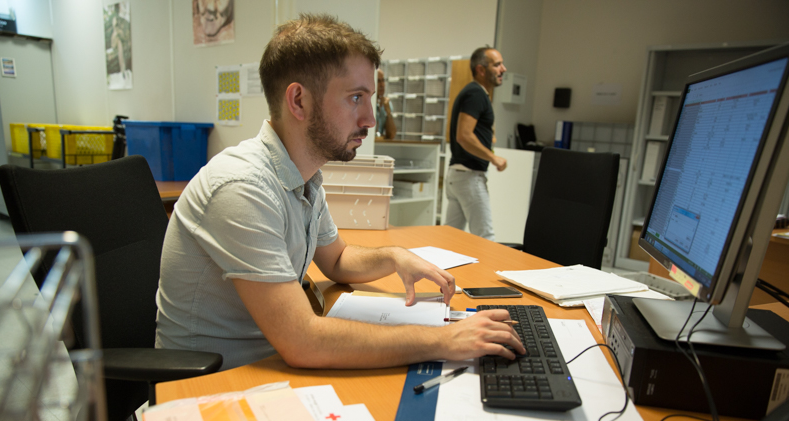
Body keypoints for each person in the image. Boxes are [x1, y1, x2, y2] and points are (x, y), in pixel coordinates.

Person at [155, 14, 523, 371]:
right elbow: (302, 341)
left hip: (267, 364)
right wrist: (443, 339)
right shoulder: (243, 188)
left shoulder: (303, 177)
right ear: (299, 101)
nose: (370, 119)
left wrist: (394, 256)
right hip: (213, 384)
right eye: (355, 98)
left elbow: (337, 259)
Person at [444, 47, 508, 241]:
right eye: (497, 65)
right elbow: (464, 136)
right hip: (469, 177)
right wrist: (493, 158)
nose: (503, 69)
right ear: (481, 69)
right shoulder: (476, 93)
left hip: (458, 176)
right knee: (486, 239)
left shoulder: (476, 93)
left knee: (449, 238)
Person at [376, 69, 396, 139]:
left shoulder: (387, 103)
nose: (382, 85)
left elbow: (391, 135)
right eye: (378, 81)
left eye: (383, 80)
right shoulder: (365, 103)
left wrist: (388, 113)